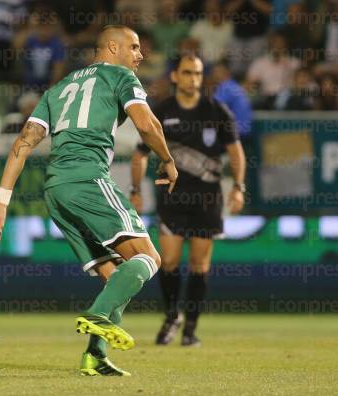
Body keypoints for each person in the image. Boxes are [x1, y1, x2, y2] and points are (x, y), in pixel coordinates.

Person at [0, 25, 178, 376]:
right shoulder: (120, 77)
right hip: (88, 179)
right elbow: (147, 125)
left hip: (56, 189)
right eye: (133, 47)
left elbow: (25, 140)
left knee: (113, 276)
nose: (140, 54)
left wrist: (1, 199)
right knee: (149, 257)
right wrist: (167, 159)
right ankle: (98, 316)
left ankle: (95, 355)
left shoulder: (58, 88)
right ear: (113, 48)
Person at [130, 54, 246, 347]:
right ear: (175, 76)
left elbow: (236, 152)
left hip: (207, 200)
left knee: (199, 265)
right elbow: (140, 154)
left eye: (197, 74)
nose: (192, 79)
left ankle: (191, 329)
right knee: (167, 261)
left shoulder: (216, 111)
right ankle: (172, 317)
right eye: (186, 73)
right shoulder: (162, 111)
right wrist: (135, 190)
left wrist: (239, 187)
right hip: (171, 198)